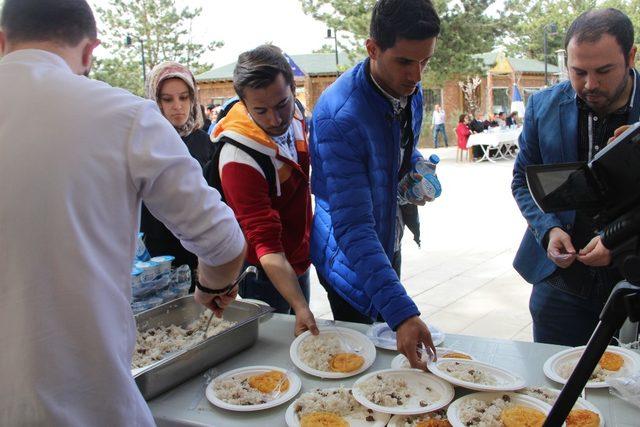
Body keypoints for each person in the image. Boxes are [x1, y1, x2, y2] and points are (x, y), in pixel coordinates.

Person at [0, 0, 247, 425]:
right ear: (89, 50)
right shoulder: (123, 115)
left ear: (2, 41)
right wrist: (210, 288)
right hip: (85, 403)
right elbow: (224, 243)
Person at [310, 0, 441, 370]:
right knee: (360, 365)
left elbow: (400, 147)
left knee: (388, 347)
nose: (417, 75)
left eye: (425, 62)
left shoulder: (407, 88)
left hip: (386, 238)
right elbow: (351, 226)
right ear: (372, 49)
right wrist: (401, 313)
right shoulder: (339, 116)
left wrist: (413, 171)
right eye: (405, 61)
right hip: (348, 257)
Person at [512, 8, 639, 346]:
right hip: (558, 284)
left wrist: (617, 241)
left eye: (604, 71)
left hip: (632, 279)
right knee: (553, 384)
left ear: (631, 56)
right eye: (578, 71)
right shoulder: (543, 106)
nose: (589, 84)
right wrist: (548, 228)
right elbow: (522, 180)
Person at [209, 45, 318, 336]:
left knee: (300, 339)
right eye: (260, 110)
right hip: (262, 270)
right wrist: (300, 306)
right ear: (243, 103)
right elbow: (264, 244)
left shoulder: (296, 116)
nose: (274, 119)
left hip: (297, 258)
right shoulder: (238, 160)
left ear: (293, 89)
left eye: (281, 104)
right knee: (273, 353)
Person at [140, 61, 217, 291]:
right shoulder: (145, 143)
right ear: (155, 100)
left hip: (199, 253)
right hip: (157, 259)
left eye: (184, 97)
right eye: (168, 99)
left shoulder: (204, 142)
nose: (178, 106)